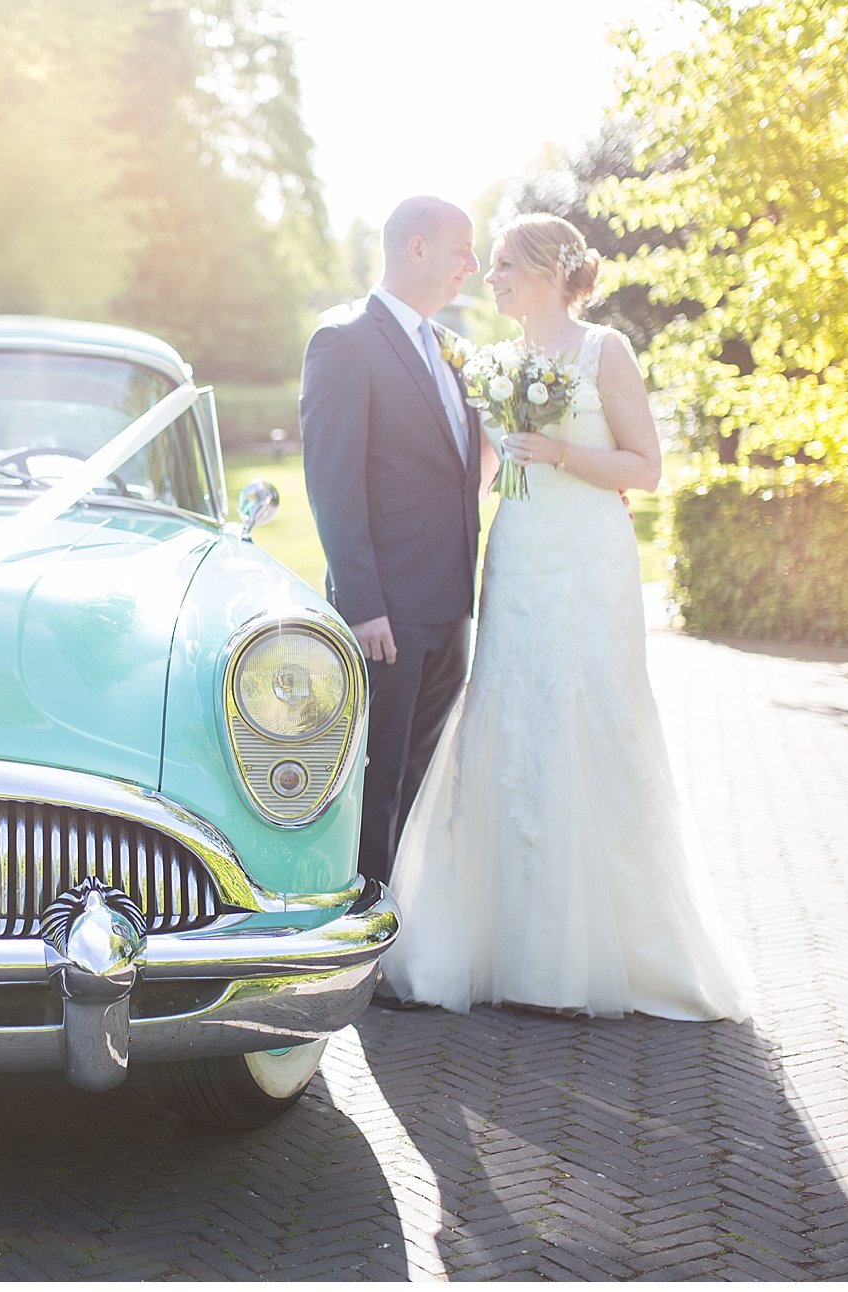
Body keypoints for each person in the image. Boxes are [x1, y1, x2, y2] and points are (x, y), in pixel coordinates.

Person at [379, 212, 753, 1021]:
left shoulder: (602, 351)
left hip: (588, 563)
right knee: (506, 719)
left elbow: (646, 467)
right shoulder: (496, 362)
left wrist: (562, 455)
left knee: (586, 718)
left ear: (550, 268)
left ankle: (583, 960)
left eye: (506, 263)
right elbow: (473, 471)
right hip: (515, 560)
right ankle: (488, 949)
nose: (491, 275)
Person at [298, 196, 484, 905]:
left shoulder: (445, 346)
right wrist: (365, 605)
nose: (471, 265)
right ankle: (368, 920)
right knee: (379, 777)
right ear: (415, 247)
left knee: (424, 772)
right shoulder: (344, 343)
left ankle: (409, 924)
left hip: (447, 606)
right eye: (461, 250)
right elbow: (334, 483)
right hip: (390, 616)